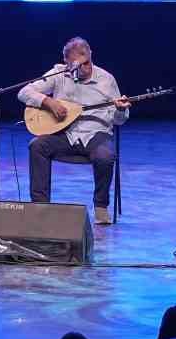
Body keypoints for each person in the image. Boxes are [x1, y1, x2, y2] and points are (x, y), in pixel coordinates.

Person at [18, 38, 131, 224]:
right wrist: (48, 102)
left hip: (96, 135)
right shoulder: (59, 74)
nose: (84, 69)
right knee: (37, 146)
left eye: (86, 63)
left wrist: (120, 110)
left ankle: (101, 206)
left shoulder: (106, 79)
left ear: (91, 55)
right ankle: (39, 207)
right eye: (77, 65)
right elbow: (24, 92)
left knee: (105, 156)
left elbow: (119, 121)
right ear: (67, 63)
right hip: (66, 135)